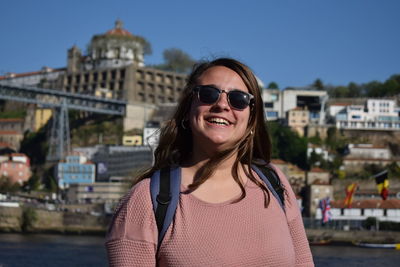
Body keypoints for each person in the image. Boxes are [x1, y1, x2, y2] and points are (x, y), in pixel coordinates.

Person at [105, 58, 314, 266]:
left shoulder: (274, 182)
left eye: (238, 99)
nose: (222, 105)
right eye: (208, 94)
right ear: (188, 110)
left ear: (252, 121)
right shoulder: (145, 201)